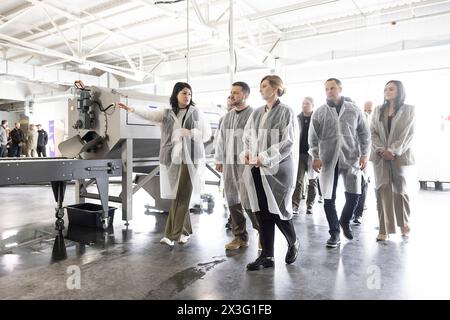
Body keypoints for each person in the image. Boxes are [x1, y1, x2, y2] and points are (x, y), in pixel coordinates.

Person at [118, 82, 211, 246]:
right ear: (176, 95)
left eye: (189, 93)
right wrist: (131, 109)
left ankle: (171, 235)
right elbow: (150, 114)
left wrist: (189, 133)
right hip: (172, 158)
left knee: (181, 194)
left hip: (191, 158)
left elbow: (205, 134)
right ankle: (185, 231)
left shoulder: (196, 113)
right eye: (183, 93)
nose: (187, 96)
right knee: (179, 194)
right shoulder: (168, 113)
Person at [242, 75, 299, 271]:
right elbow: (248, 136)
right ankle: (267, 255)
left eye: (264, 86)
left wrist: (265, 157)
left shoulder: (286, 112)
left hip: (279, 168)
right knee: (263, 213)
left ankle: (293, 241)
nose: (261, 89)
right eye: (260, 86)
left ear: (276, 89)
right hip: (257, 167)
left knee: (278, 211)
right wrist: (248, 153)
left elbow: (288, 141)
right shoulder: (257, 112)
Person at [309, 78, 370, 248]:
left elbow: (365, 134)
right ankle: (334, 233)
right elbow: (312, 137)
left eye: (333, 88)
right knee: (329, 197)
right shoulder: (320, 112)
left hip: (351, 157)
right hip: (328, 159)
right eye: (327, 88)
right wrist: (315, 156)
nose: (330, 91)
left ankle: (344, 220)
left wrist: (365, 154)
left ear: (340, 89)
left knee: (355, 195)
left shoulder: (354, 110)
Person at [215, 82, 260, 250]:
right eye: (231, 92)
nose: (232, 95)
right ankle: (240, 237)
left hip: (246, 164)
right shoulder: (227, 117)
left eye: (236, 93)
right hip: (228, 162)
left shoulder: (254, 114)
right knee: (232, 199)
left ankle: (262, 232)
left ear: (245, 95)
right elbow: (221, 140)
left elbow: (258, 139)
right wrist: (219, 159)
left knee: (249, 200)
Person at [370, 81, 415, 241]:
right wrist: (381, 149)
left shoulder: (409, 110)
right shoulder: (377, 110)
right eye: (385, 89)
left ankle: (403, 223)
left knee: (399, 190)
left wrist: (394, 150)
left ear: (399, 90)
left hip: (400, 156)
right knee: (382, 190)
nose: (387, 91)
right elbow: (373, 132)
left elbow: (408, 134)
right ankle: (384, 229)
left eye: (391, 88)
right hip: (380, 156)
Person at [292, 97, 318, 214]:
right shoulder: (297, 118)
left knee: (312, 181)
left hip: (312, 154)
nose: (304, 105)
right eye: (303, 103)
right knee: (298, 180)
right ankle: (295, 205)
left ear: (312, 105)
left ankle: (310, 205)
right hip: (300, 154)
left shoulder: (317, 118)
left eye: (307, 104)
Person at [352, 101, 373, 224]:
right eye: (366, 109)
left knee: (363, 183)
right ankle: (352, 211)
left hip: (365, 156)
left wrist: (365, 155)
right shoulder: (358, 118)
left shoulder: (373, 120)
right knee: (352, 186)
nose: (367, 112)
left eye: (370, 110)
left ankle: (358, 214)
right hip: (353, 155)